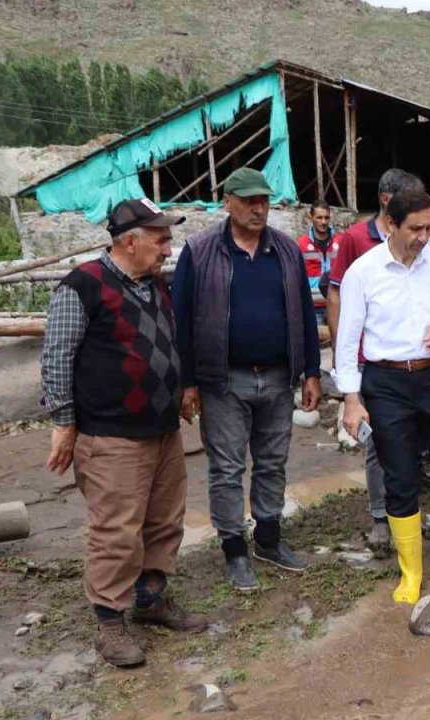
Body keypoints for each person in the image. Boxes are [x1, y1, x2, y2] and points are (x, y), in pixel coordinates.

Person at [41, 199, 208, 668]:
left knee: (163, 520)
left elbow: (165, 345)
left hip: (160, 430)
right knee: (116, 531)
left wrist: (179, 390)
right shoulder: (83, 286)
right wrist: (63, 423)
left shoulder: (153, 284)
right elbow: (56, 358)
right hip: (110, 435)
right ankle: (110, 623)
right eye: (160, 238)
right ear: (129, 241)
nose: (168, 248)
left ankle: (151, 599)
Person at [335, 186, 430, 606]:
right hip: (386, 385)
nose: (426, 236)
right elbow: (347, 340)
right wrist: (351, 398)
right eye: (416, 228)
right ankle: (412, 571)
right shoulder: (363, 273)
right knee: (400, 478)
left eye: (429, 227)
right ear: (390, 224)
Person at [173, 168, 322, 590]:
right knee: (226, 467)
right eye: (249, 200)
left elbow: (305, 316)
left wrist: (311, 371)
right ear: (227, 202)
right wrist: (188, 382)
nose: (259, 208)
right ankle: (234, 550)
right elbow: (181, 321)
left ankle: (269, 539)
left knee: (273, 461)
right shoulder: (200, 252)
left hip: (278, 377)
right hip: (224, 380)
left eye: (264, 201)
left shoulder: (287, 251)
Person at [326, 169, 430, 556]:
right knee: (379, 446)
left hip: (413, 361)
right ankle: (380, 517)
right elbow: (338, 293)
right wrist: (347, 368)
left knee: (412, 444)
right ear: (387, 203)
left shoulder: (422, 245)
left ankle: (408, 510)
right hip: (370, 361)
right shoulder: (356, 239)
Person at [295, 200, 339, 325]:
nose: (323, 222)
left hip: (337, 303)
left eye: (326, 217)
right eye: (319, 217)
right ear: (311, 217)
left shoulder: (340, 242)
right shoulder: (301, 245)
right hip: (313, 306)